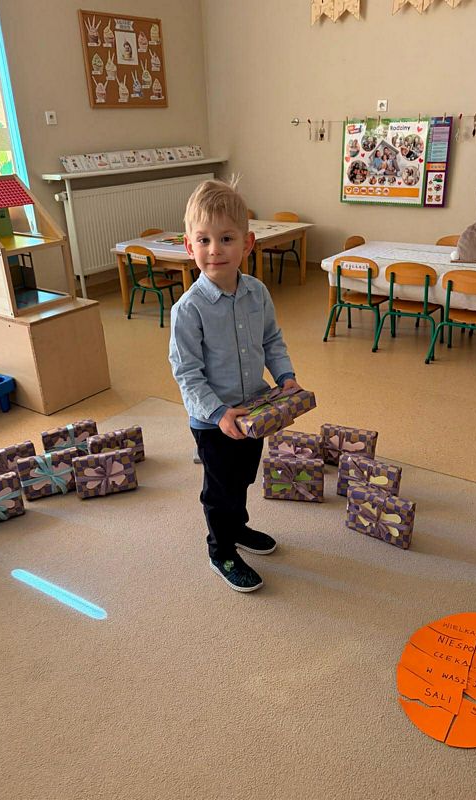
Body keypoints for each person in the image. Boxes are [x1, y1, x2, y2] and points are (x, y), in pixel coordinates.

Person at [169, 179, 300, 592]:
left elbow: (271, 340)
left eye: (226, 238)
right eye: (204, 240)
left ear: (248, 243)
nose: (215, 249)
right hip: (215, 421)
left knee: (243, 478)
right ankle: (221, 549)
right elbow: (187, 372)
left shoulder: (257, 293)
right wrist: (218, 412)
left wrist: (285, 377)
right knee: (220, 489)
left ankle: (238, 528)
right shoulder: (188, 310)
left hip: (254, 411)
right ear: (189, 246)